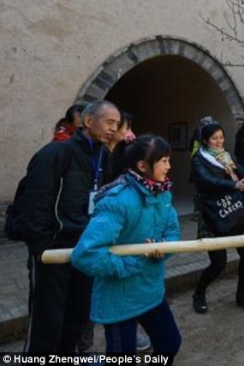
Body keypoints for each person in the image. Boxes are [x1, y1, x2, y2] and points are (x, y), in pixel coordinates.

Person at [16, 100, 120, 353]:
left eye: (117, 124)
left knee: (77, 316)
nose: (114, 129)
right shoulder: (55, 153)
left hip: (85, 250)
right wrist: (41, 248)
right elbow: (35, 202)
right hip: (53, 251)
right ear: (88, 121)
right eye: (109, 122)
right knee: (47, 322)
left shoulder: (103, 156)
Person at [71, 135, 181, 360]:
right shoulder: (119, 201)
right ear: (142, 166)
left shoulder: (163, 193)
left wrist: (163, 249)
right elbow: (86, 254)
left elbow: (172, 233)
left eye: (169, 160)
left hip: (150, 290)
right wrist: (135, 261)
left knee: (170, 342)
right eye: (163, 161)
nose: (169, 166)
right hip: (118, 298)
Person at [77, 110, 138, 354]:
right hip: (91, 230)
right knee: (89, 287)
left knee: (109, 287)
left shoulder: (121, 155)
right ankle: (84, 343)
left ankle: (122, 335)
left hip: (113, 230)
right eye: (125, 127)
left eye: (121, 125)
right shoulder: (94, 155)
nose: (127, 133)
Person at [191, 120, 244, 313]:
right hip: (214, 213)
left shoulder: (226, 157)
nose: (219, 141)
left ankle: (242, 293)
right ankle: (199, 293)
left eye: (221, 137)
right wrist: (234, 185)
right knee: (218, 263)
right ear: (205, 140)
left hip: (235, 208)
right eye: (215, 138)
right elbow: (206, 180)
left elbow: (241, 172)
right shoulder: (198, 159)